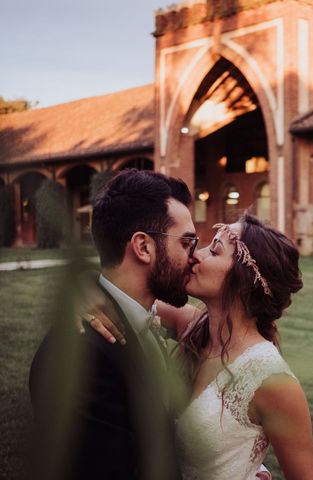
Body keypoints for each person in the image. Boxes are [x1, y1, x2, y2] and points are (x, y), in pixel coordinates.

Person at [89, 215, 313, 480]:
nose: (196, 256)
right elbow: (122, 296)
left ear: (244, 281)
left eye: (214, 250)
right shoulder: (192, 326)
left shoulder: (273, 382)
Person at [29, 169, 198, 480]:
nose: (195, 257)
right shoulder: (82, 360)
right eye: (187, 243)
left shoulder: (141, 320)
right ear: (143, 247)